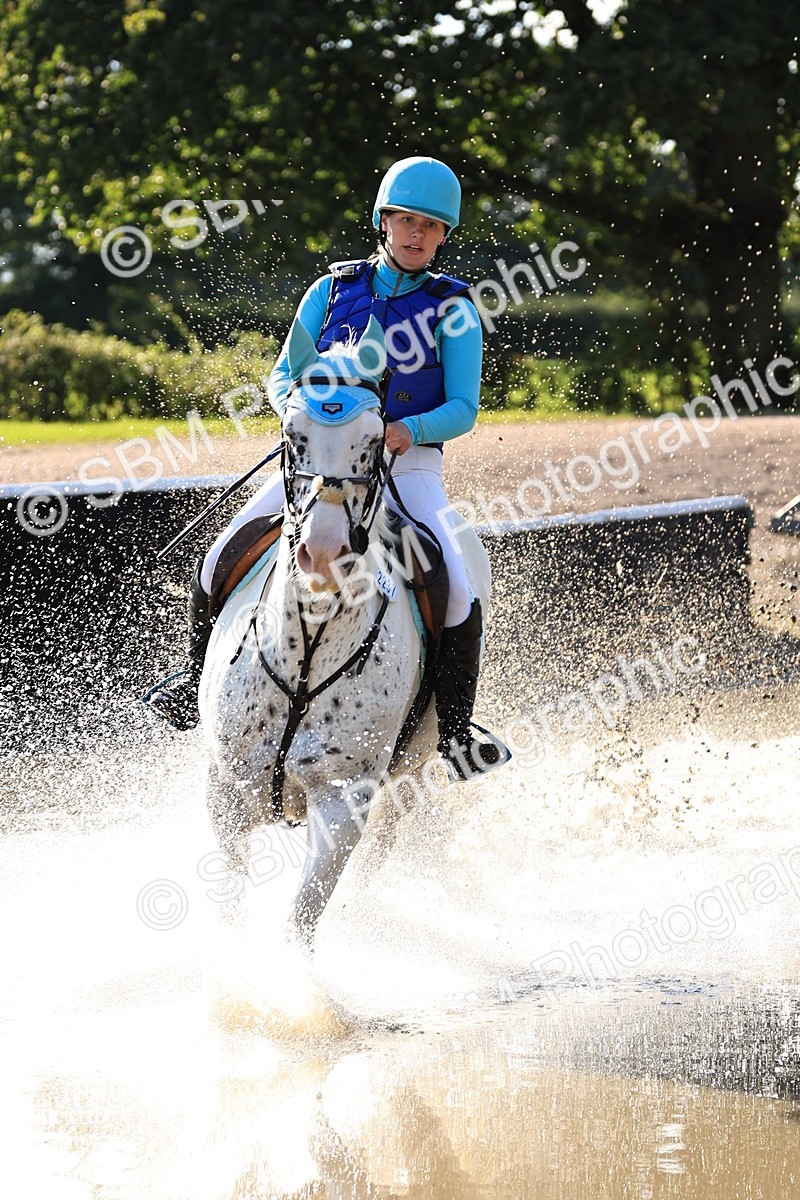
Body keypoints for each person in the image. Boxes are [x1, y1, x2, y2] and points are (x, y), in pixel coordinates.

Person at [147, 156, 501, 778]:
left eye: (430, 226)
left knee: (457, 586)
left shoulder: (455, 308)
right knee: (219, 555)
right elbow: (284, 373)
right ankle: (190, 677)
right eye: (405, 220)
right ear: (383, 220)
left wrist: (406, 430)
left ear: (444, 236)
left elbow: (465, 408)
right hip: (317, 461)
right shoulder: (332, 289)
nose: (416, 235)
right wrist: (297, 413)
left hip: (406, 463)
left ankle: (455, 733)